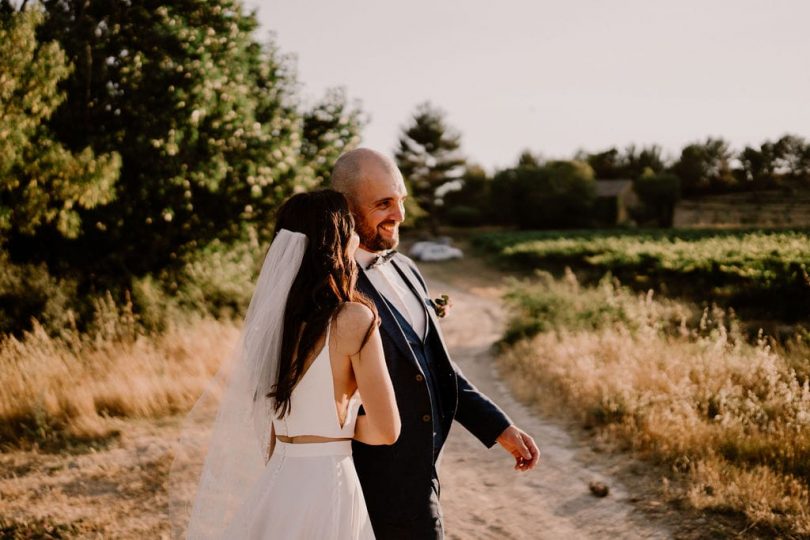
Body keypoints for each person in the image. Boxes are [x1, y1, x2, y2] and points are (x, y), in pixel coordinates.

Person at [331, 148, 541, 539]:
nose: (399, 215)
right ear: (346, 207)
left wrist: (499, 427)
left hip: (421, 471)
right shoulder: (329, 285)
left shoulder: (408, 269)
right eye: (383, 203)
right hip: (365, 477)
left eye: (401, 201)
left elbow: (435, 365)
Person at [171, 190, 400, 539]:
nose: (356, 237)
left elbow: (272, 427)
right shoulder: (354, 318)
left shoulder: (270, 325)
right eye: (350, 228)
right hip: (327, 484)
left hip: (278, 481)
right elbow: (387, 430)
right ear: (335, 241)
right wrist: (338, 427)